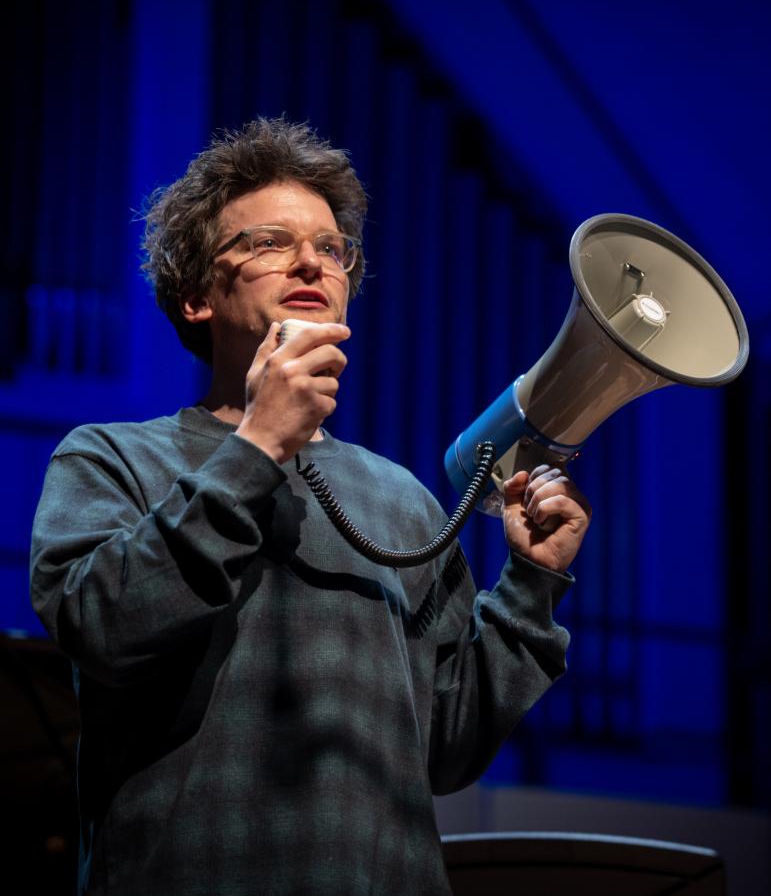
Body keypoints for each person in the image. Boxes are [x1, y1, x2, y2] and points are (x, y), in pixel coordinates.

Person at [30, 117, 591, 895]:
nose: (310, 262)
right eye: (268, 242)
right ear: (195, 296)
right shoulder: (111, 456)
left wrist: (529, 583)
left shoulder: (401, 498)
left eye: (331, 248)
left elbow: (446, 752)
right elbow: (102, 629)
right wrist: (258, 446)